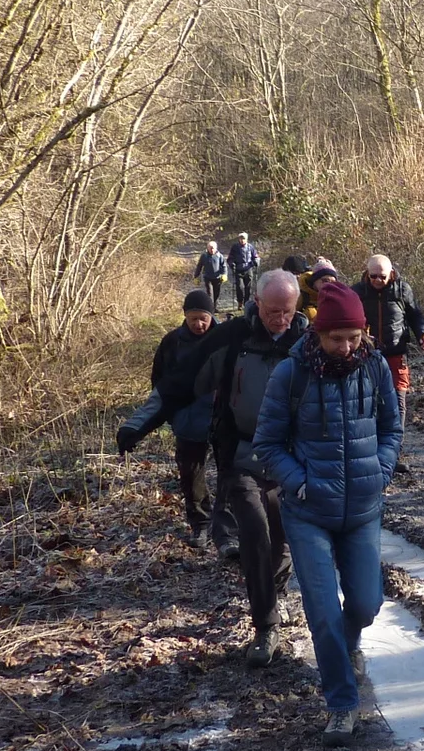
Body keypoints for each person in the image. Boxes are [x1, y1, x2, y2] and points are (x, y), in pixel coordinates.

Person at [255, 281, 401, 747]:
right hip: (308, 512)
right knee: (322, 612)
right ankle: (342, 705)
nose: (346, 347)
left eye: (354, 337)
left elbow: (392, 428)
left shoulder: (375, 367)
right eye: (337, 338)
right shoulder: (290, 374)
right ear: (318, 334)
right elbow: (267, 445)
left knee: (365, 605)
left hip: (362, 508)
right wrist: (299, 483)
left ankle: (350, 641)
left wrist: (380, 471)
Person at [158, 269, 309, 665]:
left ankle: (274, 592)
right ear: (257, 303)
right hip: (240, 452)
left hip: (291, 457)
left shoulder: (307, 343)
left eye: (287, 312)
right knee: (256, 533)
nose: (280, 319)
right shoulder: (233, 338)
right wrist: (141, 422)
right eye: (273, 311)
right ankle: (266, 626)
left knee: (282, 534)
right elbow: (180, 380)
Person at [117, 290, 237, 553]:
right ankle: (201, 524)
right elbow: (160, 383)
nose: (199, 324)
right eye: (193, 318)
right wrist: (166, 417)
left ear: (212, 316)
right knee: (191, 474)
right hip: (188, 421)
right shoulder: (171, 342)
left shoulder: (227, 338)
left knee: (230, 474)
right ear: (184, 316)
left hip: (223, 420)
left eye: (203, 318)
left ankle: (227, 530)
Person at [351, 254, 424, 463]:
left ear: (391, 274)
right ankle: (370, 448)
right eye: (373, 276)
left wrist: (423, 334)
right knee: (367, 401)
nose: (377, 280)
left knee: (398, 400)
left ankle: (394, 451)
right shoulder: (357, 292)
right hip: (367, 354)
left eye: (382, 277)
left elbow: (415, 315)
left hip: (396, 352)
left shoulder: (403, 289)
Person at [227, 232, 259, 310]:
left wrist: (256, 261)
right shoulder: (235, 247)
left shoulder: (250, 247)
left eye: (243, 238)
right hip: (238, 270)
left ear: (246, 239)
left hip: (248, 269)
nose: (242, 240)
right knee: (240, 287)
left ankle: (246, 303)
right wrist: (232, 264)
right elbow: (230, 258)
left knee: (248, 287)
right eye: (240, 238)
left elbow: (255, 256)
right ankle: (240, 303)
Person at [194, 241, 226, 309]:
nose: (212, 250)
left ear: (216, 248)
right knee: (210, 293)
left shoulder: (219, 256)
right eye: (210, 248)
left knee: (216, 293)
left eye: (213, 248)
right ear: (207, 248)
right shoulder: (204, 256)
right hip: (208, 277)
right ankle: (210, 308)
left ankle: (214, 307)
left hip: (217, 277)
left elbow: (223, 265)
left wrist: (224, 274)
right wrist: (196, 276)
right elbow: (199, 266)